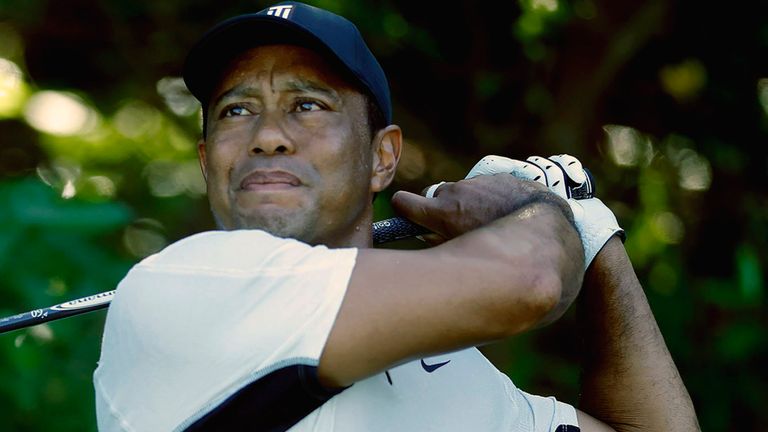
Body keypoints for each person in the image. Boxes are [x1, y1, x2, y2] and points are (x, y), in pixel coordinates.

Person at [93, 2, 699, 431]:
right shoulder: (182, 288)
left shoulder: (454, 370)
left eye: (307, 104)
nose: (268, 135)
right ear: (206, 160)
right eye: (235, 111)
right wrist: (540, 206)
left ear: (382, 158)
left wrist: (593, 233)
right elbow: (533, 281)